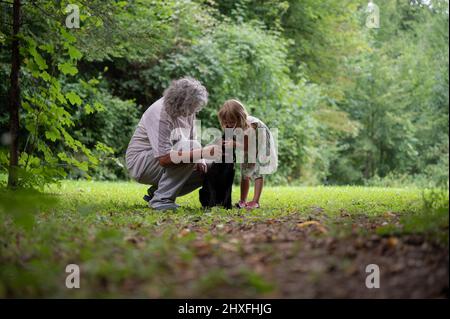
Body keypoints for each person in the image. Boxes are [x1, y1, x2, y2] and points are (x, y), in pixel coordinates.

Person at [125, 77, 218, 211]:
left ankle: (156, 192)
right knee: (192, 149)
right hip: (141, 163)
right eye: (193, 106)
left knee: (211, 168)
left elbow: (193, 138)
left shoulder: (188, 111)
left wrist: (201, 158)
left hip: (165, 159)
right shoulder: (159, 113)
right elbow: (164, 159)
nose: (195, 110)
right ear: (182, 102)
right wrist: (201, 152)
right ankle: (161, 200)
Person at [217, 99, 277, 210]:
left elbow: (248, 146)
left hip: (260, 144)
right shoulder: (230, 125)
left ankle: (255, 201)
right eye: (226, 122)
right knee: (245, 172)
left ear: (240, 117)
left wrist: (234, 144)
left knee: (257, 171)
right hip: (247, 145)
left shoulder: (250, 126)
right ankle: (242, 200)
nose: (229, 124)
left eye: (231, 121)